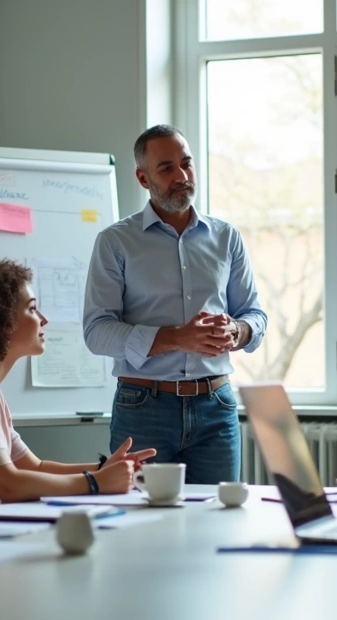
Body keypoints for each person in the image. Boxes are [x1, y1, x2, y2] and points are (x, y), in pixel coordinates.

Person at [83, 124, 267, 484]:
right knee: (142, 528)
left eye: (187, 163)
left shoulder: (226, 237)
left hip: (217, 406)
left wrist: (238, 330)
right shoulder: (115, 242)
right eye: (166, 168)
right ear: (142, 177)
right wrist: (175, 338)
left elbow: (254, 315)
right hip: (143, 408)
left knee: (217, 522)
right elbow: (96, 332)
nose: (182, 176)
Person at [0, 259, 156, 508]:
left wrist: (105, 468)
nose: (43, 319)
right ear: (0, 321)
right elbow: (8, 484)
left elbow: (34, 467)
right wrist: (95, 482)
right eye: (32, 309)